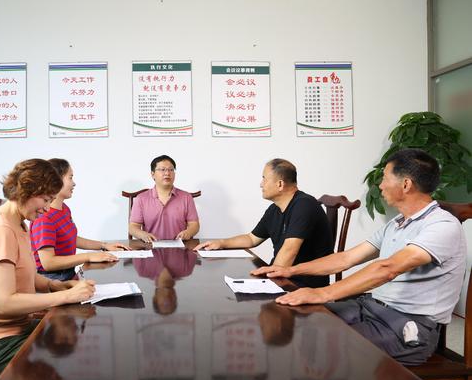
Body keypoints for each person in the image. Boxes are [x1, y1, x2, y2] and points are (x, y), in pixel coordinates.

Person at [252, 149, 467, 366]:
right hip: (370, 307)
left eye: (384, 178)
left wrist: (322, 293)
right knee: (294, 317)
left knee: (319, 343)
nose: (380, 186)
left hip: (405, 326)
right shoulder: (397, 224)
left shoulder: (442, 225)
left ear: (406, 184)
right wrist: (291, 270)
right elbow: (346, 259)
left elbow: (388, 268)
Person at [0, 158, 96, 377]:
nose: (47, 209)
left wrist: (55, 285)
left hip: (16, 331)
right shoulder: (1, 230)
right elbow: (5, 302)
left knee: (74, 349)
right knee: (71, 366)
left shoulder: (18, 224)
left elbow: (25, 273)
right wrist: (64, 297)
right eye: (45, 200)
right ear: (27, 191)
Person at [195, 158, 333, 288]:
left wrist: (266, 283)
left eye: (264, 179)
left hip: (302, 285)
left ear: (280, 184)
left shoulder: (304, 205)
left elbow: (289, 250)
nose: (261, 184)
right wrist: (221, 243)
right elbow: (252, 238)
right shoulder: (275, 208)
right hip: (283, 277)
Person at [31, 158, 129, 281]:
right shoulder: (44, 218)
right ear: (55, 180)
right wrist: (88, 256)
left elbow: (70, 238)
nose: (74, 183)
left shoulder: (64, 209)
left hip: (68, 273)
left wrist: (104, 245)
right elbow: (48, 263)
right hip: (52, 279)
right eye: (70, 178)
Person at [129, 155, 200, 242]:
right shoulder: (141, 199)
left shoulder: (186, 197)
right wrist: (143, 234)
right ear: (153, 174)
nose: (167, 173)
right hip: (151, 248)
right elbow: (133, 227)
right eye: (162, 170)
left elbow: (194, 224)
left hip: (180, 248)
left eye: (171, 170)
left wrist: (188, 233)